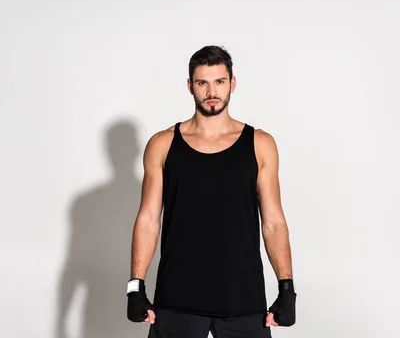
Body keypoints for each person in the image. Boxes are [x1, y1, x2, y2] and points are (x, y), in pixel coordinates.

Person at [126, 45, 296, 337]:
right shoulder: (163, 144)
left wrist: (287, 288)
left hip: (242, 299)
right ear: (190, 86)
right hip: (177, 299)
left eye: (219, 81)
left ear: (232, 83)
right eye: (203, 82)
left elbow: (273, 223)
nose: (211, 91)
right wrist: (135, 287)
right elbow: (148, 220)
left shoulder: (260, 144)